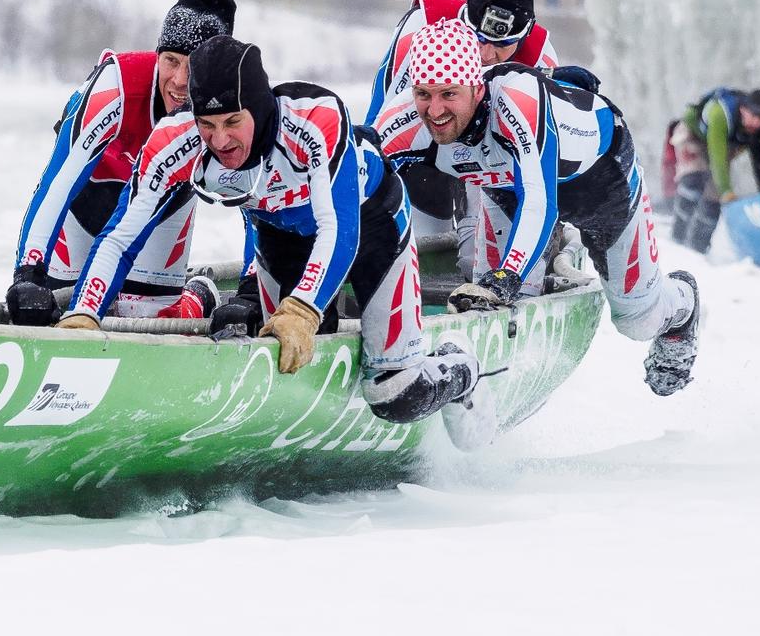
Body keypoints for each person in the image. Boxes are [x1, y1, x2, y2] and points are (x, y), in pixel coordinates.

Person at [64, 35, 480, 425]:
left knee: (394, 396)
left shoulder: (315, 118)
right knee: (285, 366)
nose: (219, 140)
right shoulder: (175, 139)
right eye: (207, 124)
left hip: (370, 223)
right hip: (281, 236)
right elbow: (120, 238)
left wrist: (302, 310)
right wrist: (83, 313)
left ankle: (458, 366)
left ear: (259, 109)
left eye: (232, 121)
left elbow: (338, 229)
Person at [375, 19, 701, 397]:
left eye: (449, 94)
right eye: (423, 94)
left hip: (599, 182)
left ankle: (682, 303)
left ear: (477, 87)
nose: (434, 111)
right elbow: (355, 190)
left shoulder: (517, 101)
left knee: (637, 319)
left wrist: (509, 273)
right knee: (483, 306)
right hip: (508, 190)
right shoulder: (401, 120)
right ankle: (478, 383)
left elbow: (540, 202)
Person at [7, 0, 237, 324]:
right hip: (87, 202)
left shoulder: (229, 105)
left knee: (148, 320)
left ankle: (197, 295)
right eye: (171, 61)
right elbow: (58, 182)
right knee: (54, 310)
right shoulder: (116, 85)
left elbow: (255, 198)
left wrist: (251, 288)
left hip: (163, 206)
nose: (179, 80)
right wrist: (28, 272)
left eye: (193, 67)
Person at [368, 0, 559, 256]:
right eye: (478, 38)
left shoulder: (541, 55)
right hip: (425, 146)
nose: (485, 55)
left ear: (523, 36)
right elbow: (380, 115)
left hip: (491, 155)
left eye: (502, 44)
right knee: (416, 234)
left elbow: (544, 153)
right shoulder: (424, 23)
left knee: (476, 254)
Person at [672, 86, 760, 252]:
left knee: (714, 198)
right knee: (694, 181)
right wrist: (726, 190)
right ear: (743, 109)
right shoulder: (721, 114)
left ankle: (698, 247)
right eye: (753, 115)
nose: (756, 122)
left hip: (724, 144)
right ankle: (677, 237)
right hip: (693, 135)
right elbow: (717, 159)